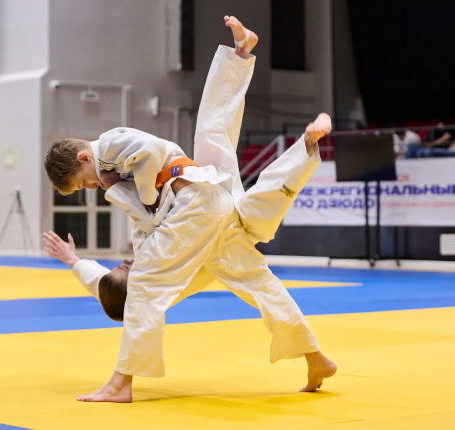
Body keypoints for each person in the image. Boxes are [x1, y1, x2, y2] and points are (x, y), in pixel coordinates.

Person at [43, 16, 336, 403]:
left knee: (146, 285)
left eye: (84, 182)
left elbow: (149, 156)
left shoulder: (109, 149)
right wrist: (76, 257)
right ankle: (315, 357)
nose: (92, 187)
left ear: (84, 158)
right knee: (215, 135)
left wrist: (138, 194)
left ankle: (120, 383)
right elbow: (106, 281)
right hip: (208, 203)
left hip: (195, 202)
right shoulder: (126, 236)